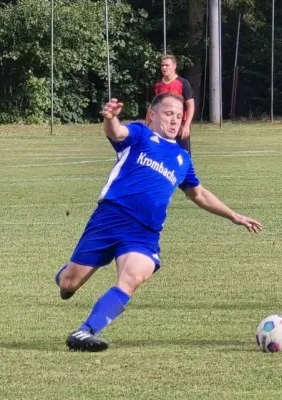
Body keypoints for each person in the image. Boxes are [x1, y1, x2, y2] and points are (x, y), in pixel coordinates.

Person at [56, 93, 262, 352]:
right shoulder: (141, 135)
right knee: (69, 284)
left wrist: (234, 215)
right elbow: (117, 132)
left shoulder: (182, 159)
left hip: (144, 232)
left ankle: (85, 331)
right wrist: (111, 117)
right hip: (112, 217)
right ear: (152, 114)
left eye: (179, 116)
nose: (175, 121)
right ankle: (65, 275)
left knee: (132, 277)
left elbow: (198, 194)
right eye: (168, 114)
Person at [145, 55, 195, 153]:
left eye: (167, 65)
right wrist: (146, 126)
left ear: (174, 66)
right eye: (162, 66)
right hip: (161, 127)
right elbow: (152, 107)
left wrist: (187, 125)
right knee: (161, 157)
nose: (164, 68)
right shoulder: (157, 85)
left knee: (183, 157)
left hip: (179, 127)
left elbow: (190, 105)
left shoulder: (183, 83)